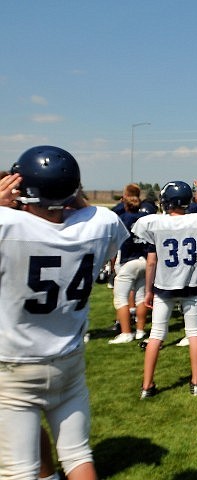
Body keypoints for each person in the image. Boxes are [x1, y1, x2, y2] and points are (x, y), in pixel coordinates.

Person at [0, 146, 129, 479]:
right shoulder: (102, 222)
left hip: (14, 365)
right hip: (69, 360)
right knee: (77, 456)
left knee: (18, 471)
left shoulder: (6, 224)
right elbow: (83, 212)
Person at [132, 180, 197, 398]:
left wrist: (148, 290)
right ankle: (196, 382)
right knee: (194, 333)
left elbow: (151, 262)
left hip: (164, 285)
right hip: (192, 284)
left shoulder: (155, 223)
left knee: (156, 335)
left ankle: (147, 385)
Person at [108, 194, 150, 344]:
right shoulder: (145, 219)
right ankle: (140, 330)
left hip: (128, 262)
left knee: (120, 299)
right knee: (140, 298)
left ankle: (126, 333)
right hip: (144, 260)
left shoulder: (122, 218)